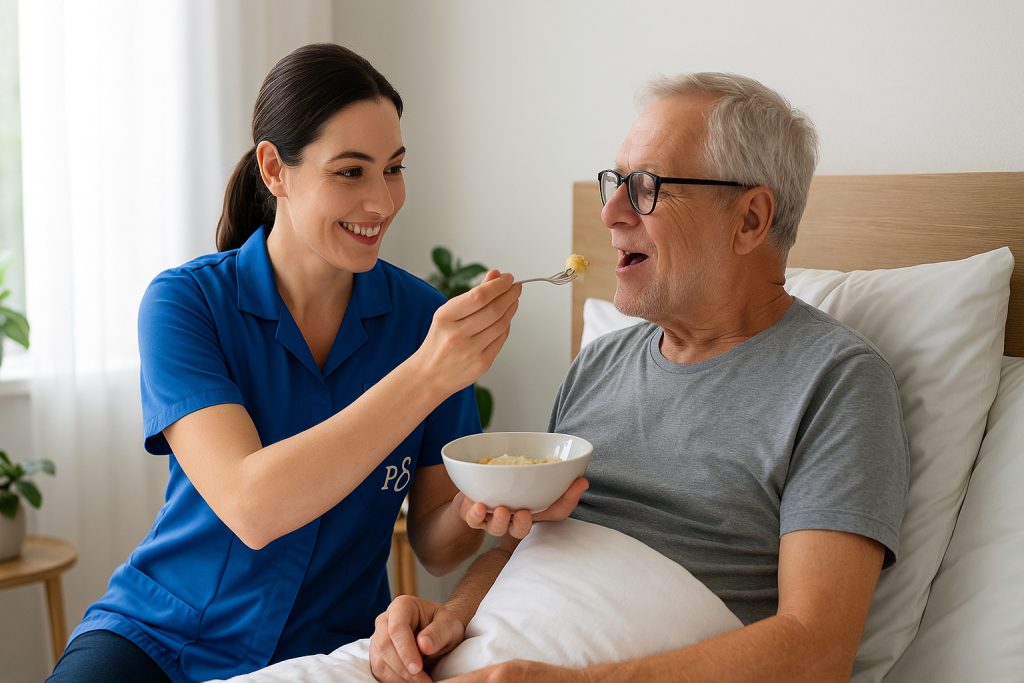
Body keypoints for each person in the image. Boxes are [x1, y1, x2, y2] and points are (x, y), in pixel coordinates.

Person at [369, 73, 909, 682]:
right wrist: (449, 618)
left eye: (647, 186)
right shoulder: (598, 366)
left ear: (751, 219)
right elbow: (525, 549)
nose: (610, 212)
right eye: (615, 181)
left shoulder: (837, 383)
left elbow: (816, 651)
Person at [47, 43, 528, 683]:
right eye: (350, 172)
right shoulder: (186, 303)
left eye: (394, 168)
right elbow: (253, 507)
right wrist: (428, 374)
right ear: (275, 169)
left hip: (330, 650)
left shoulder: (421, 321)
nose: (382, 202)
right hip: (161, 639)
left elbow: (437, 546)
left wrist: (477, 510)